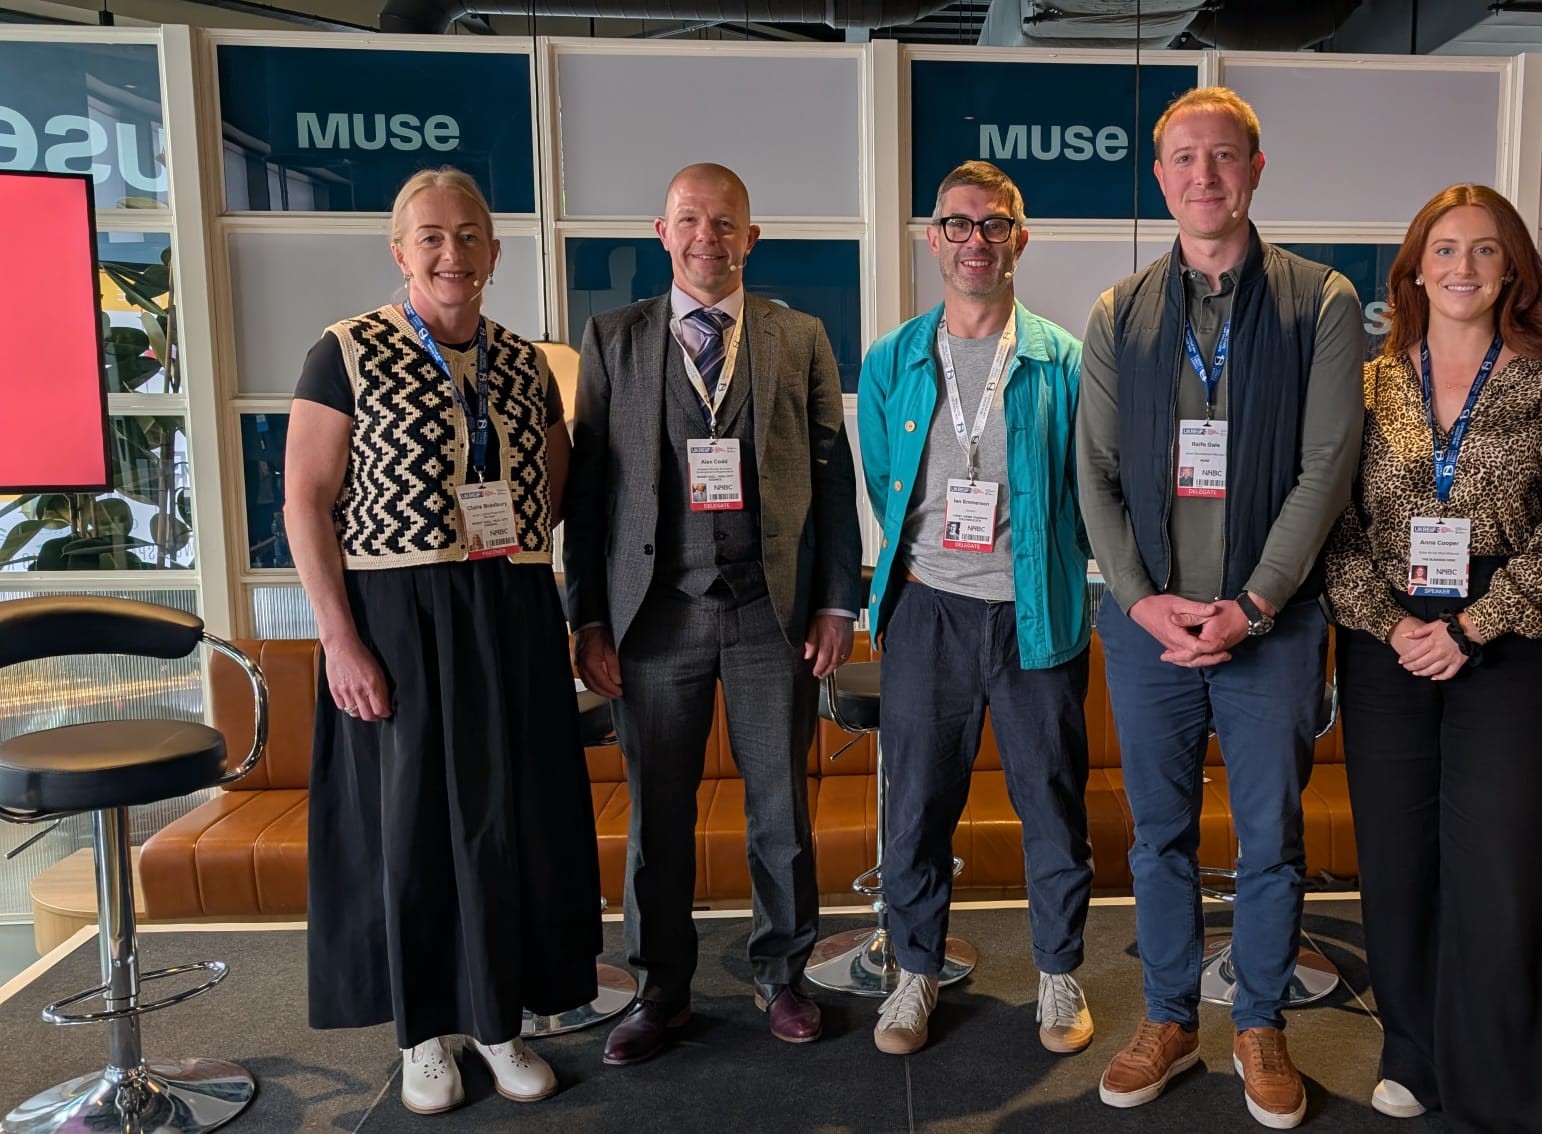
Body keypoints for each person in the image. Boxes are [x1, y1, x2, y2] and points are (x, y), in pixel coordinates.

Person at [1076, 87, 1364, 1130]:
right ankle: (1167, 1019)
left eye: (1225, 155)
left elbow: (1327, 467)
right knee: (1157, 837)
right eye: (1186, 158)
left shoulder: (1322, 301)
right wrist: (1141, 601)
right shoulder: (1118, 312)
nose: (1206, 175)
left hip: (1272, 629)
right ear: (1161, 178)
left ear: (1256, 169)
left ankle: (1259, 1025)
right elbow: (1094, 473)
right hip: (1148, 632)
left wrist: (1255, 601)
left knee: (1269, 840)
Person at [286, 167, 600, 1116]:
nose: (451, 254)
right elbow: (305, 501)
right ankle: (423, 1034)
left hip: (509, 612)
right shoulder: (345, 351)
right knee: (412, 828)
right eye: (430, 237)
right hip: (398, 619)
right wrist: (340, 640)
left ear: (494, 253)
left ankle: (498, 1020)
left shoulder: (524, 363)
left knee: (510, 824)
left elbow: (555, 488)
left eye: (468, 236)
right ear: (400, 251)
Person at [1322, 183, 1542, 1132]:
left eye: (1485, 250)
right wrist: (1392, 622)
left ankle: (1506, 1083)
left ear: (1512, 268)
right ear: (1413, 270)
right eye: (1444, 249)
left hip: (1511, 642)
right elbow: (1336, 527)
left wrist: (1472, 627)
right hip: (1389, 638)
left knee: (1502, 861)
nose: (1463, 267)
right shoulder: (1371, 385)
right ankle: (1414, 1053)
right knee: (1398, 857)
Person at [564, 163, 861, 1066]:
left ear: (750, 238)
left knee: (781, 810)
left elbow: (832, 476)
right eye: (690, 220)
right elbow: (588, 492)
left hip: (772, 613)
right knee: (658, 817)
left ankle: (784, 975)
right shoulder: (612, 338)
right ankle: (661, 989)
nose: (708, 237)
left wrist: (836, 601)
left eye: (725, 222)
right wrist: (587, 619)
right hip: (655, 618)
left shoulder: (798, 336)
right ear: (662, 233)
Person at [856, 160, 1095, 1058]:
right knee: (917, 805)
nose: (975, 241)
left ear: (1019, 239)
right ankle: (915, 971)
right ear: (934, 239)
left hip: (1037, 615)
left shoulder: (1062, 359)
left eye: (994, 224)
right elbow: (887, 483)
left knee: (1052, 801)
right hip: (928, 613)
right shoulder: (894, 359)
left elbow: (1087, 490)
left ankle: (1059, 971)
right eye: (958, 224)